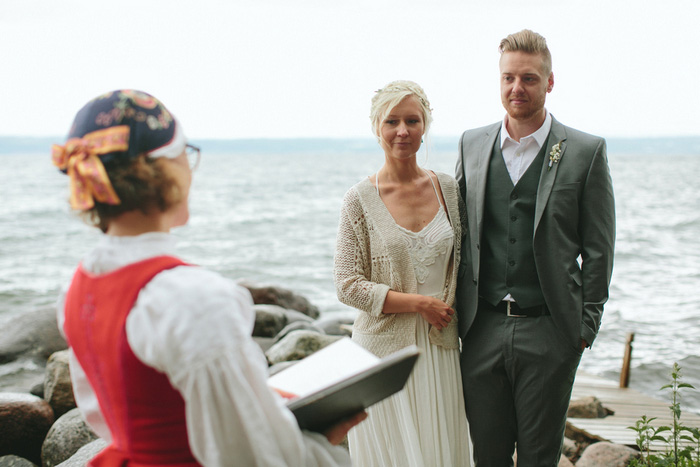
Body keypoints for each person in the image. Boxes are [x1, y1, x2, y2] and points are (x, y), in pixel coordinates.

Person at [52, 89, 364, 466]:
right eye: (186, 154)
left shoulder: (78, 288)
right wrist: (315, 445)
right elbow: (248, 456)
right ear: (163, 170)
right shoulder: (190, 300)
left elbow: (107, 416)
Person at [455, 29, 616, 466]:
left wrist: (585, 327)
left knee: (539, 457)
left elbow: (599, 249)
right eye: (508, 77)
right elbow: (459, 234)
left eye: (528, 78)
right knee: (486, 455)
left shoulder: (585, 151)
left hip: (550, 330)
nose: (516, 88)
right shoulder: (472, 143)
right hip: (481, 327)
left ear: (549, 81)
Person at [334, 80, 472, 467]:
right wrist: (420, 304)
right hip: (381, 355)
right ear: (376, 127)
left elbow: (470, 263)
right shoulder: (359, 199)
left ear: (424, 125)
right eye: (392, 121)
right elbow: (347, 284)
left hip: (440, 346)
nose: (402, 131)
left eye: (412, 120)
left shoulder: (448, 189)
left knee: (441, 453)